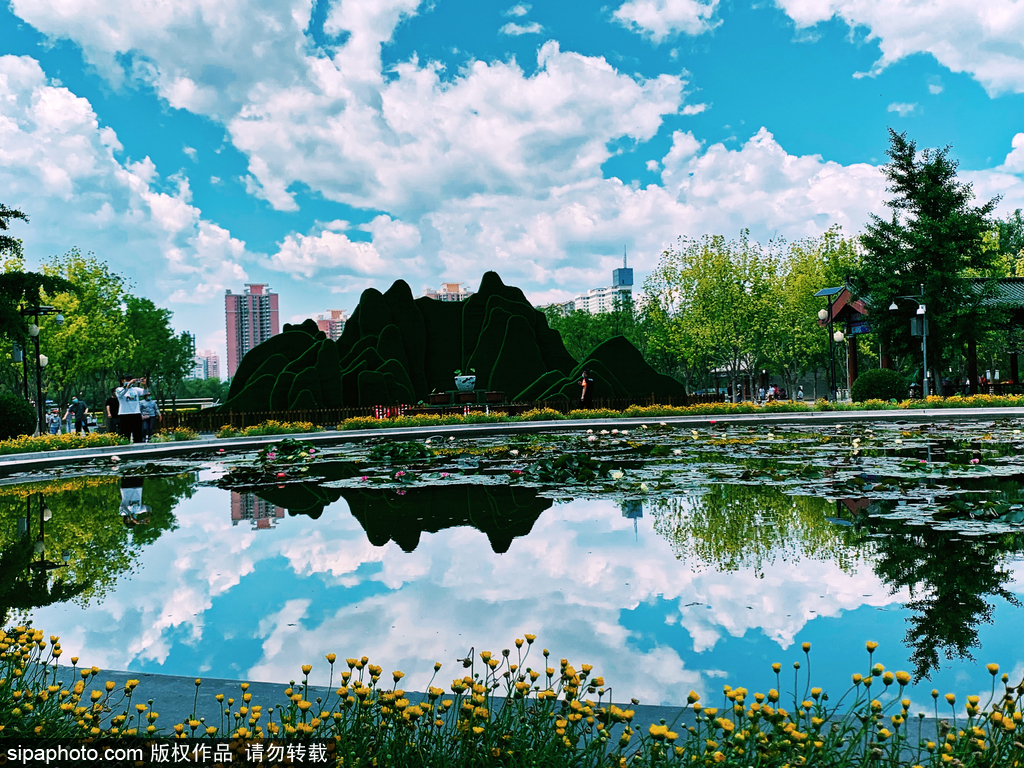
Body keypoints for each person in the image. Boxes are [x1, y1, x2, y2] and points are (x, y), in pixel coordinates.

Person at [116, 376, 146, 443]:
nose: (129, 381)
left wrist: (144, 385)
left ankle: (138, 448)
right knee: (125, 434)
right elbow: (120, 394)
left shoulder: (136, 389)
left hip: (136, 413)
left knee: (138, 433)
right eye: (127, 380)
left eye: (130, 380)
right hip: (124, 413)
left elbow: (145, 392)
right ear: (122, 381)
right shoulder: (119, 389)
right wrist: (128, 385)